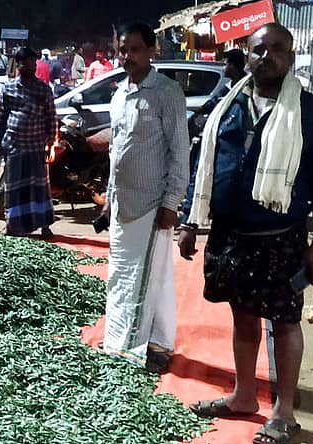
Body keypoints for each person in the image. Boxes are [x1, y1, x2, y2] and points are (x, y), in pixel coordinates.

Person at [181, 23, 313, 444]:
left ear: (290, 58)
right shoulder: (226, 108)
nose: (266, 56)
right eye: (258, 49)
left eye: (276, 49)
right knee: (242, 316)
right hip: (231, 235)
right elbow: (202, 165)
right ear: (246, 55)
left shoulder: (312, 113)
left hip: (281, 237)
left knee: (286, 323)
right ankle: (243, 394)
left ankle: (284, 412)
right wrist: (188, 221)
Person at [101, 22, 189, 373]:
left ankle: (127, 347)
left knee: (137, 277)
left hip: (152, 204)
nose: (128, 57)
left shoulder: (166, 92)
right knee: (143, 275)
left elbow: (180, 153)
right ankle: (159, 341)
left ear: (152, 51)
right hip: (123, 203)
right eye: (123, 50)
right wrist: (109, 197)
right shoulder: (120, 93)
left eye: (135, 49)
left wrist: (171, 203)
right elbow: (115, 152)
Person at [0, 47, 56, 238]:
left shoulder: (43, 89)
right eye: (26, 63)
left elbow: (51, 117)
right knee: (14, 188)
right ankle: (11, 225)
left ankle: (44, 225)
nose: (31, 66)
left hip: (36, 145)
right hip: (14, 146)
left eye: (33, 63)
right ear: (18, 65)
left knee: (39, 188)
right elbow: (1, 119)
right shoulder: (8, 88)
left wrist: (51, 142)